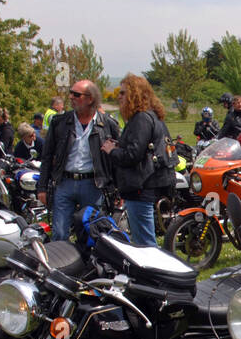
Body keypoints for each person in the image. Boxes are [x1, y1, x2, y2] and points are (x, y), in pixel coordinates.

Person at [37, 79, 120, 241]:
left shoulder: (107, 124)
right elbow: (46, 156)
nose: (71, 97)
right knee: (60, 233)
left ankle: (87, 264)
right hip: (64, 183)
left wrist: (118, 188)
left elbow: (116, 159)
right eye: (70, 93)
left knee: (90, 233)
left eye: (76, 94)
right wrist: (42, 188)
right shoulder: (60, 122)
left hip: (93, 185)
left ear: (90, 98)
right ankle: (61, 264)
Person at [102, 75, 171, 247]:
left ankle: (154, 273)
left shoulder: (141, 118)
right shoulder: (149, 116)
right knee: (143, 240)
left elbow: (133, 155)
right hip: (144, 185)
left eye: (123, 93)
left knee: (145, 243)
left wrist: (113, 151)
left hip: (141, 186)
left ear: (135, 94)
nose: (119, 97)